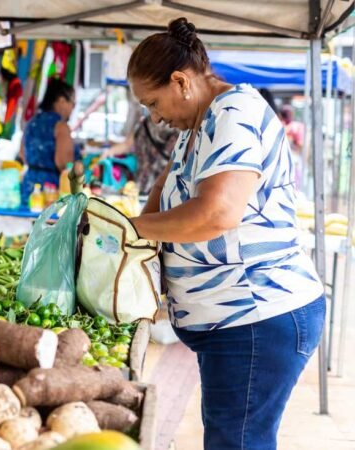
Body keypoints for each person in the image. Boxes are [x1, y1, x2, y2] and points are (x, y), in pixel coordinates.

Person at [126, 18, 324, 450]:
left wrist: (129, 229)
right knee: (230, 437)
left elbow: (217, 212)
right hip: (233, 321)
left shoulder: (234, 113)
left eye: (154, 103)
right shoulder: (198, 122)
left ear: (180, 81)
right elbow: (166, 188)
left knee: (236, 442)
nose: (155, 118)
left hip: (257, 315)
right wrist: (133, 240)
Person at [19, 78, 79, 204]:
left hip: (28, 188)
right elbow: (63, 163)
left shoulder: (32, 122)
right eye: (73, 103)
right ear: (61, 101)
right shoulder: (61, 126)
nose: (73, 109)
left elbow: (22, 155)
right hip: (50, 192)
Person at [103, 109, 178, 193]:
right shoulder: (146, 123)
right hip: (162, 184)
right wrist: (108, 152)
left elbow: (127, 145)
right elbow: (127, 144)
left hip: (147, 183)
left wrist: (108, 152)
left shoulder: (146, 123)